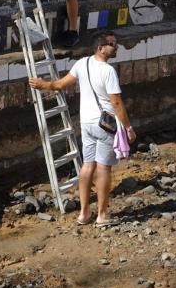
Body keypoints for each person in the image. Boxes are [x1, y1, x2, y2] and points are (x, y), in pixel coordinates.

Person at [28, 31, 134, 226]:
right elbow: (117, 103)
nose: (116, 46)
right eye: (111, 43)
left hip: (86, 124)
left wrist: (43, 85)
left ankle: (84, 214)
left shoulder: (82, 64)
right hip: (105, 125)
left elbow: (60, 84)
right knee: (103, 169)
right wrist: (128, 127)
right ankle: (102, 215)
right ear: (100, 48)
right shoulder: (108, 71)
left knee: (87, 166)